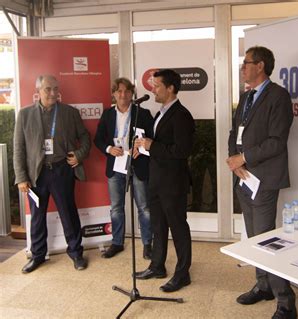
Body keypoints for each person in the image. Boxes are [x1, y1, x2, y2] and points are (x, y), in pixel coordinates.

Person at [227, 46, 296, 319]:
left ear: (261, 66)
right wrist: (234, 158)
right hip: (244, 177)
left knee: (267, 240)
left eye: (247, 63)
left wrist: (243, 157)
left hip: (265, 179)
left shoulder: (278, 96)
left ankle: (286, 303)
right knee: (255, 238)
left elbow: (277, 141)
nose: (243, 67)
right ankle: (263, 285)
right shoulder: (246, 97)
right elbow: (235, 132)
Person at [13, 75, 90, 273]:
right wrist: (21, 177)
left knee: (68, 213)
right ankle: (38, 255)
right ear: (38, 90)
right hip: (36, 174)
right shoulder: (25, 115)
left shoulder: (69, 113)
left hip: (62, 170)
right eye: (48, 89)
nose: (53, 93)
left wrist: (79, 155)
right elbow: (18, 148)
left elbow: (85, 137)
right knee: (37, 217)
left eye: (56, 88)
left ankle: (76, 253)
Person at [134, 69, 195, 293]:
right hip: (156, 180)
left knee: (178, 228)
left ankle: (183, 274)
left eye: (157, 85)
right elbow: (159, 145)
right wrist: (144, 147)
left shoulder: (181, 115)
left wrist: (152, 146)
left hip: (173, 182)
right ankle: (157, 266)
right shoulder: (160, 112)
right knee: (158, 226)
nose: (152, 89)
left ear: (170, 88)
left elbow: (182, 150)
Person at [94, 78, 154, 259]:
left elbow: (152, 138)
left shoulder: (142, 113)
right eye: (119, 91)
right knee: (116, 207)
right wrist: (108, 149)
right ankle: (117, 242)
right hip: (116, 165)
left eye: (127, 91)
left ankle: (147, 244)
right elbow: (98, 139)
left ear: (132, 94)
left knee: (144, 207)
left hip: (137, 163)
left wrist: (141, 148)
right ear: (113, 93)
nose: (123, 95)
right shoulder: (107, 115)